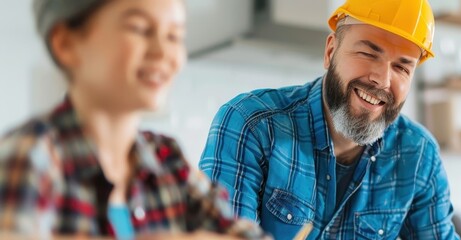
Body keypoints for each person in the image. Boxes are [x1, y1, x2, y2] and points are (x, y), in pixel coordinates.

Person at [0, 0, 266, 239]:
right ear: (65, 43)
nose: (163, 52)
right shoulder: (31, 155)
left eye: (174, 36)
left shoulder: (168, 161)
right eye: (139, 28)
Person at [199, 0, 459, 239]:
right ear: (330, 51)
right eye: (368, 53)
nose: (382, 79)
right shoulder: (250, 125)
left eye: (401, 67)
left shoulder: (419, 155)